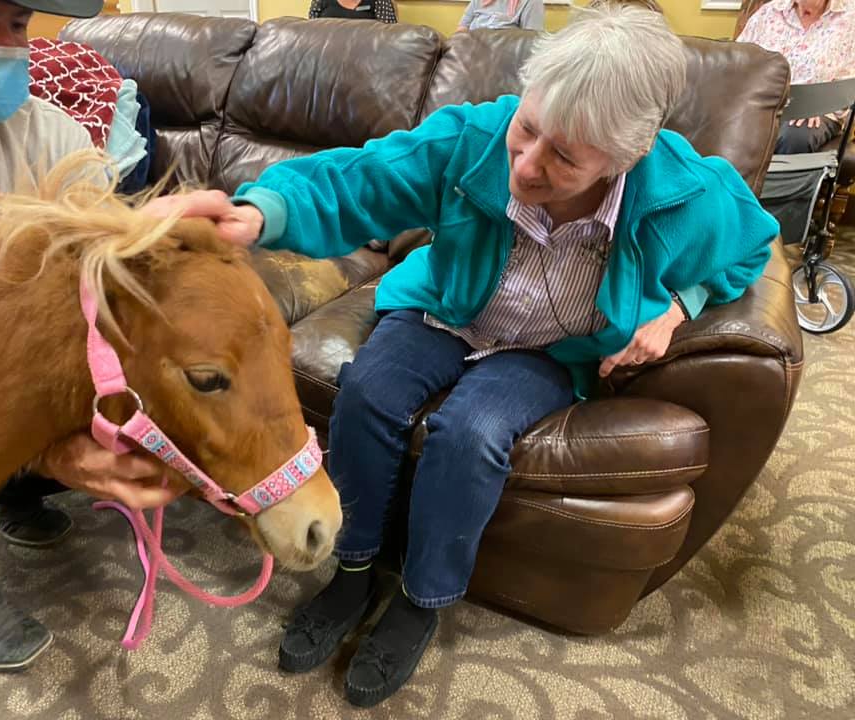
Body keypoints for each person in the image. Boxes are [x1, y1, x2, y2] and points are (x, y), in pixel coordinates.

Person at [175, 2, 779, 707]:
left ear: (622, 157)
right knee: (367, 390)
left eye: (565, 156)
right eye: (528, 129)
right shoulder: (473, 138)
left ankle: (423, 599)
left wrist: (681, 309)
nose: (526, 164)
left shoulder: (685, 194)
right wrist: (261, 211)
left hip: (553, 347)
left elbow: (754, 243)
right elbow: (362, 179)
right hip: (446, 308)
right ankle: (352, 568)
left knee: (472, 434)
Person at [0, 0, 181, 673]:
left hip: (16, 366)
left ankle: (15, 491)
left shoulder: (48, 132)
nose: (5, 47)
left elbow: (101, 283)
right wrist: (52, 449)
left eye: (18, 25)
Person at [737, 0, 855, 153]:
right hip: (763, 105)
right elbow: (737, 63)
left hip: (818, 112)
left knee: (795, 136)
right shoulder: (768, 13)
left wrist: (818, 105)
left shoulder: (850, 17)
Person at [457, 0, 543, 31]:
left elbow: (531, 42)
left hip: (502, 62)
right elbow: (463, 27)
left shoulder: (532, 2)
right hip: (470, 55)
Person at [308, 0, 397, 23]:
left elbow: (389, 36)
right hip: (328, 59)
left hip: (367, 58)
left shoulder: (380, 1)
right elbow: (312, 35)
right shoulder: (320, 1)